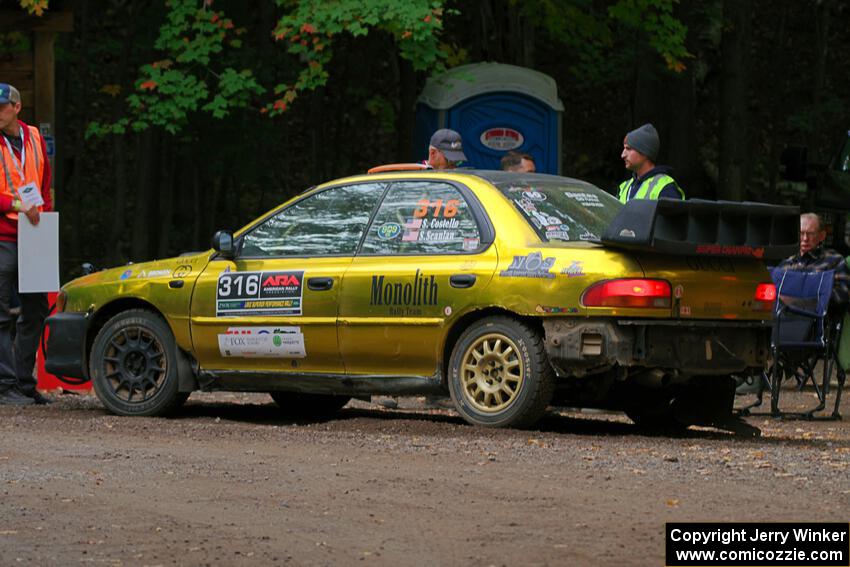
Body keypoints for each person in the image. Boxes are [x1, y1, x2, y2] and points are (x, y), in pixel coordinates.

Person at [0, 83, 52, 406]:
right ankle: (4, 386)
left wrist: (44, 214)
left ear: (17, 107)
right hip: (3, 234)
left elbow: (45, 180)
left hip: (35, 233)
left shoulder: (33, 136)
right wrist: (21, 207)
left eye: (2, 106)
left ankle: (23, 382)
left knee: (36, 309)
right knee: (1, 312)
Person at [776, 212, 850, 306]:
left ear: (822, 236)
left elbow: (843, 295)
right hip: (784, 318)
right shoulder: (786, 263)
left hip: (818, 319)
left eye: (811, 233)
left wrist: (799, 300)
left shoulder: (835, 261)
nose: (805, 238)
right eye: (801, 233)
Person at [618, 123, 685, 202]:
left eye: (628, 149)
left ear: (645, 152)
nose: (623, 155)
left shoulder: (666, 188)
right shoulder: (624, 187)